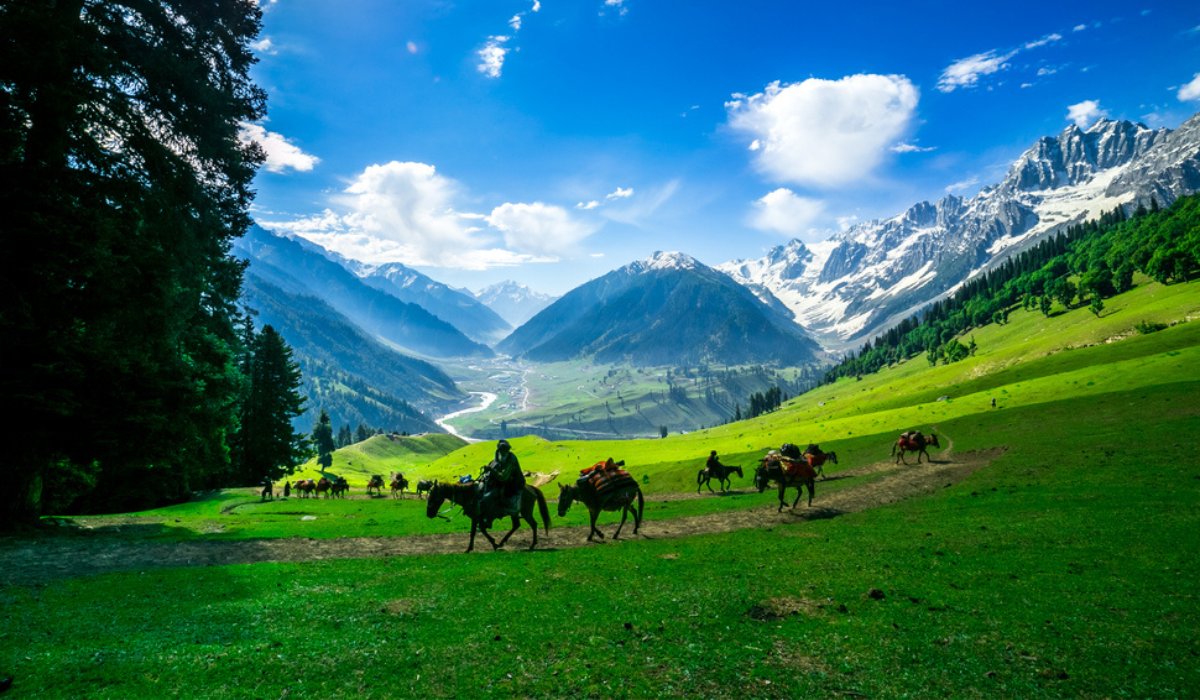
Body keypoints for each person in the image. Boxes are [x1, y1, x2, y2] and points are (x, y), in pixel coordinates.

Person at [481, 439, 523, 523]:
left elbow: (503, 477)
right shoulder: (498, 454)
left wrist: (492, 470)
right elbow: (494, 463)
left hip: (512, 481)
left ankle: (499, 513)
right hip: (499, 480)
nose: (502, 451)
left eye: (504, 450)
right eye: (501, 449)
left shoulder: (511, 459)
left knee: (493, 495)